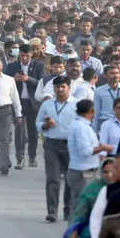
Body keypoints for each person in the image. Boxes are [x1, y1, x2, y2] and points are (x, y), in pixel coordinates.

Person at [35, 75, 76, 222]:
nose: (60, 90)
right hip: (52, 144)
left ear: (69, 88)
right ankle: (52, 211)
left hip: (71, 145)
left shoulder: (77, 104)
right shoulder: (47, 105)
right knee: (53, 178)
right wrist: (45, 125)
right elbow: (38, 123)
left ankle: (68, 210)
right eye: (57, 87)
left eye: (63, 87)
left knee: (70, 179)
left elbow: (84, 124)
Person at [68, 99, 113, 206]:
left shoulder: (82, 125)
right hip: (83, 172)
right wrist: (103, 148)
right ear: (92, 111)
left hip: (86, 170)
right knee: (81, 204)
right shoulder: (81, 127)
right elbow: (85, 151)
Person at [6, 43, 45, 168]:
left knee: (33, 131)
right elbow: (5, 82)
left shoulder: (39, 65)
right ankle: (20, 158)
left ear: (31, 55)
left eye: (27, 56)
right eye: (22, 56)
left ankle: (32, 157)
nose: (24, 58)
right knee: (19, 131)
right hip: (18, 102)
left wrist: (28, 79)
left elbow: (42, 83)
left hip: (33, 102)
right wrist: (13, 79)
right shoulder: (12, 66)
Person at [93, 66, 120, 131]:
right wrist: (95, 129)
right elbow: (96, 111)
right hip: (105, 121)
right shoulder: (99, 91)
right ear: (105, 75)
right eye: (112, 73)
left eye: (117, 73)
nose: (115, 76)